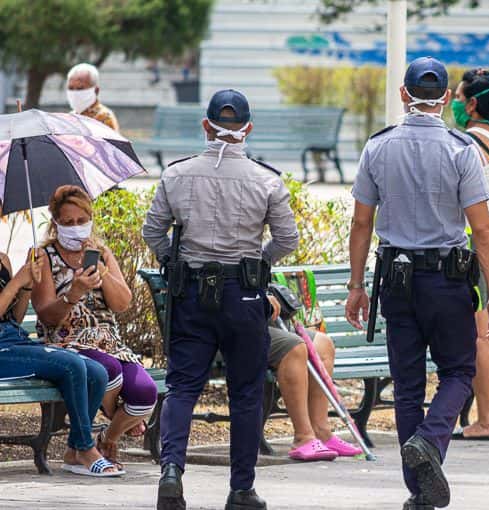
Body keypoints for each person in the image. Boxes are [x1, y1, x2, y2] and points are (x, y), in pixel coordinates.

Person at [346, 57, 489, 510]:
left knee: (408, 384)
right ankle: (432, 442)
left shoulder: (377, 147)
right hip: (447, 279)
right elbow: (483, 229)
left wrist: (356, 285)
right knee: (458, 371)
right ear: (444, 98)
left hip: (395, 280)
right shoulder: (461, 148)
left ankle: (417, 490)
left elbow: (362, 223)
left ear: (403, 94)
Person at [142, 89, 300, 510]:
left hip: (191, 291)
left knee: (182, 386)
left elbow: (152, 231)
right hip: (243, 293)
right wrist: (257, 261)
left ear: (205, 125)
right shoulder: (266, 179)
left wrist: (172, 260)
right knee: (246, 392)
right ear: (247, 128)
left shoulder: (176, 175)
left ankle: (172, 470)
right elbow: (287, 238)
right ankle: (241, 488)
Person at [32, 185, 157, 467]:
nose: (76, 228)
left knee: (145, 395)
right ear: (55, 224)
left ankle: (107, 440)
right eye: (68, 223)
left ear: (90, 220)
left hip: (110, 342)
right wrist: (73, 293)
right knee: (107, 371)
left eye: (81, 221)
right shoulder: (46, 257)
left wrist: (102, 271)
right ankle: (89, 443)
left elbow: (123, 303)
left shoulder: (101, 252)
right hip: (67, 341)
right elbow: (47, 316)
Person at [0, 251, 120, 476]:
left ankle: (74, 452)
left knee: (96, 372)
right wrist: (17, 281)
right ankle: (86, 447)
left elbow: (13, 320)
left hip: (13, 340)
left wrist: (27, 285)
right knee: (71, 364)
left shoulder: (3, 259)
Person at [450, 68, 489, 441]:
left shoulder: (468, 142)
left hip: (476, 241)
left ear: (473, 104)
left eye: (459, 98)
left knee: (478, 334)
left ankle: (487, 420)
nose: (455, 104)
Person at [264, 295, 363, 461]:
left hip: (267, 316)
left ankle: (321, 431)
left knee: (323, 344)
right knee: (294, 347)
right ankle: (303, 437)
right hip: (240, 316)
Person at [66, 63, 120, 132]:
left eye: (80, 89)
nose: (75, 93)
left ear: (96, 91)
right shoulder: (70, 117)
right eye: (71, 88)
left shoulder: (105, 118)